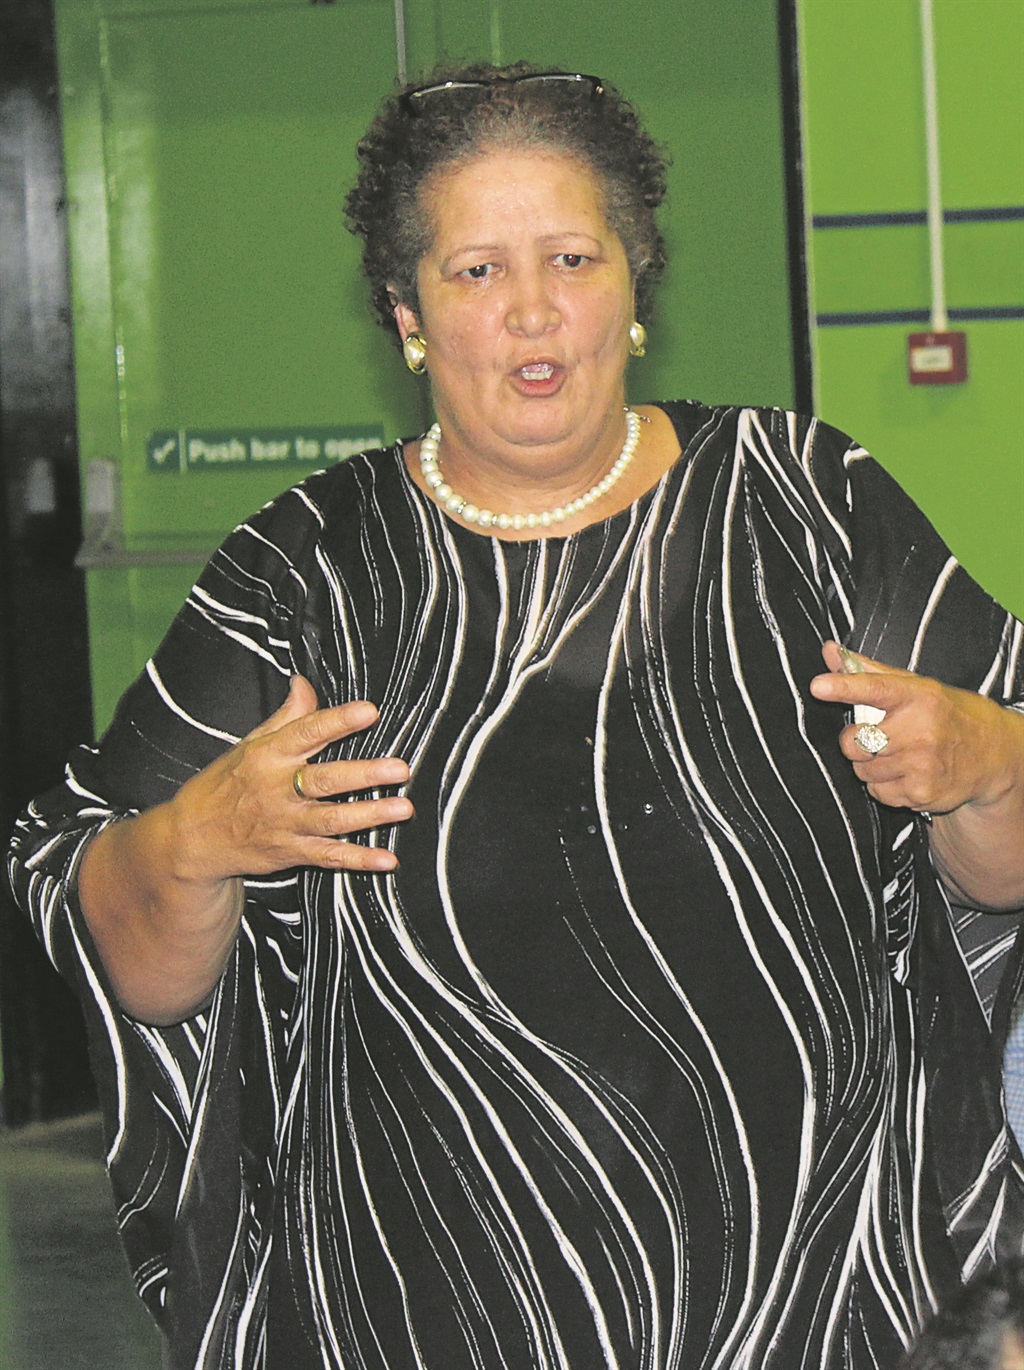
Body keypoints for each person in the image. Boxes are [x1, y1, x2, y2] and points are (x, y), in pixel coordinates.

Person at [8, 61, 1024, 1370]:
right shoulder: (305, 572)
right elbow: (124, 944)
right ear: (408, 315)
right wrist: (202, 838)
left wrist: (986, 755)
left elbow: (1000, 869)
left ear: (635, 287)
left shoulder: (802, 504)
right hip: (422, 1301)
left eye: (572, 259)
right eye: (477, 271)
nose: (533, 310)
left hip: (812, 1291)